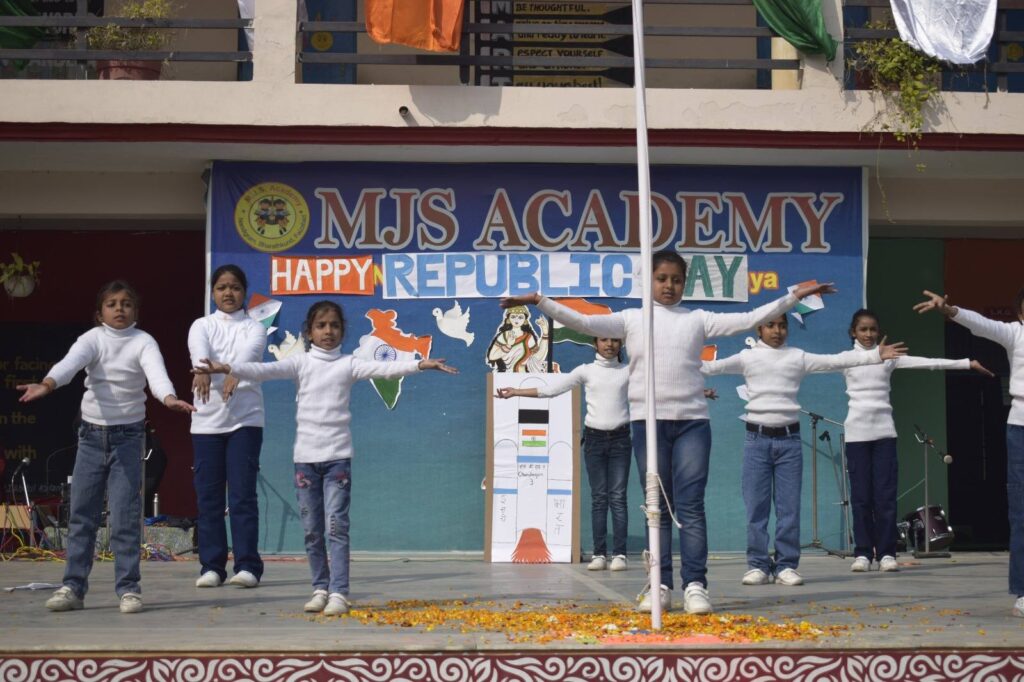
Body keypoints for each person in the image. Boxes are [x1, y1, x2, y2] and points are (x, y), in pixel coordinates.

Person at [500, 250, 836, 615]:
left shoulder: (697, 319)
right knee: (657, 508)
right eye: (662, 279)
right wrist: (539, 300)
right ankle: (660, 584)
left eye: (676, 280)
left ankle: (695, 585)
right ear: (649, 280)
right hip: (648, 424)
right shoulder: (632, 320)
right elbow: (582, 322)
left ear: (685, 283)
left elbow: (750, 318)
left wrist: (793, 296)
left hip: (692, 423)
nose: (669, 286)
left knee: (690, 506)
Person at [193, 300, 457, 616]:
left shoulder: (349, 364)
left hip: (337, 462)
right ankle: (320, 588)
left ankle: (339, 593)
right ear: (309, 332)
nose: (328, 331)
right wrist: (227, 367)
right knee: (312, 531)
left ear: (342, 331)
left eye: (334, 326)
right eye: (321, 326)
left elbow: (385, 368)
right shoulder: (300, 363)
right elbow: (263, 370)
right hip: (305, 462)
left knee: (336, 528)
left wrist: (420, 365)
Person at [17, 280, 195, 614]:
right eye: (112, 304)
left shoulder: (143, 341)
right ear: (100, 313)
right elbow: (69, 364)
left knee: (125, 517)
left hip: (128, 438)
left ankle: (128, 589)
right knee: (82, 515)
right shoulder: (92, 339)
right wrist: (47, 384)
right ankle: (73, 588)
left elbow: (156, 376)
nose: (119, 309)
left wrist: (168, 398)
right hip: (91, 436)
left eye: (126, 303)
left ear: (136, 312)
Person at [702, 314, 906, 586]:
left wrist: (874, 355)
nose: (777, 331)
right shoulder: (746, 357)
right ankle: (758, 565)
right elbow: (709, 367)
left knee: (789, 509)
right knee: (756, 508)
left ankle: (786, 565)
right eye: (771, 325)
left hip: (789, 441)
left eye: (782, 326)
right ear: (759, 328)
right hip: (756, 441)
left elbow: (835, 361)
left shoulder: (797, 357)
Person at [843, 308, 991, 574]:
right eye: (863, 329)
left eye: (873, 329)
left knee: (885, 498)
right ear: (853, 332)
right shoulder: (846, 359)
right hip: (856, 437)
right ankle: (863, 553)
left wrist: (966, 363)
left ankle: (887, 553)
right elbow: (812, 363)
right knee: (861, 499)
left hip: (885, 435)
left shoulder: (889, 358)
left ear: (879, 331)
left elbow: (928, 362)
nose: (868, 334)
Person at [914, 289, 1023, 617]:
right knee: (1021, 512)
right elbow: (981, 324)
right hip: (1021, 426)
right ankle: (1023, 590)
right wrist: (949, 310)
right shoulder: (1015, 334)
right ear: (1020, 314)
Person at [497, 337, 630, 572]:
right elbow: (551, 390)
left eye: (614, 341)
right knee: (599, 498)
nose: (609, 345)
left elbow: (656, 388)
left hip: (621, 440)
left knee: (618, 498)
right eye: (603, 340)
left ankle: (620, 554)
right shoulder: (586, 371)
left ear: (621, 345)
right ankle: (599, 554)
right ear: (595, 343)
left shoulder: (628, 371)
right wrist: (516, 392)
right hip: (594, 440)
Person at [189, 264, 268, 589]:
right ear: (213, 292)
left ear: (244, 291)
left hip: (245, 421)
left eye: (235, 287)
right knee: (208, 498)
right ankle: (212, 567)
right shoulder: (202, 325)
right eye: (221, 287)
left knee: (242, 497)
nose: (228, 293)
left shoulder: (255, 327)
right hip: (206, 423)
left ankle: (247, 566)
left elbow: (250, 354)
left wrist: (235, 370)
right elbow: (199, 351)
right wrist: (201, 370)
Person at [486, 305, 549, 373]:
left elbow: (537, 358)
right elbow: (492, 356)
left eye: (520, 317)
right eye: (513, 317)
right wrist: (508, 345)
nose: (516, 320)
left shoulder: (528, 337)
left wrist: (545, 333)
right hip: (506, 374)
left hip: (523, 374)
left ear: (525, 320)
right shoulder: (503, 336)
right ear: (508, 319)